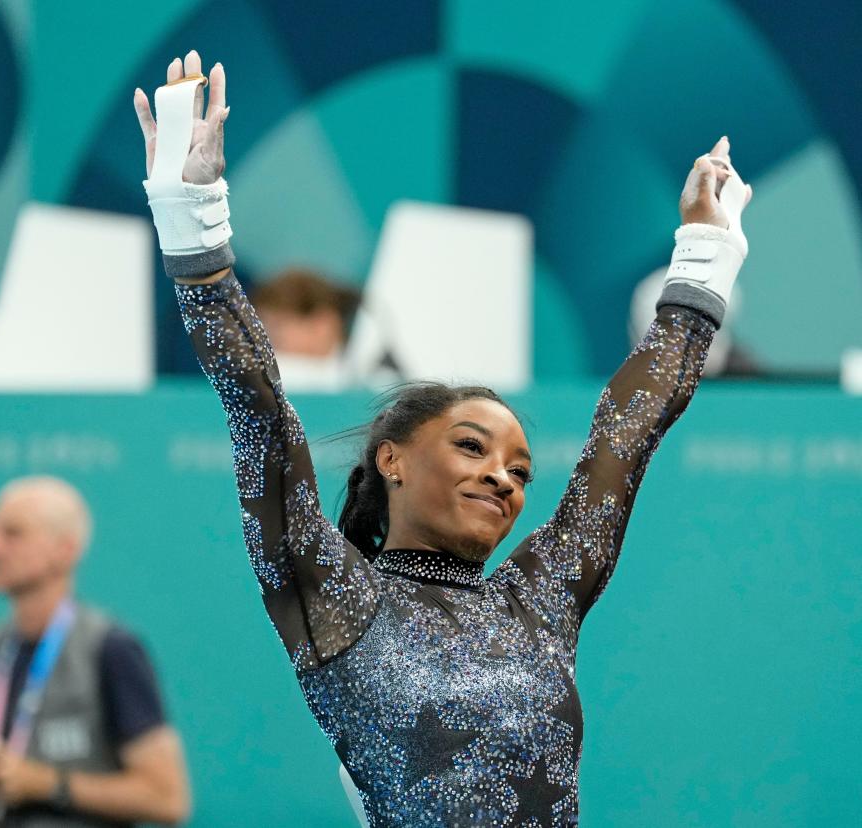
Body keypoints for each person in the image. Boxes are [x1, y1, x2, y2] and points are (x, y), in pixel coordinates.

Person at [134, 50, 751, 826]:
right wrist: (194, 224)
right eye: (471, 447)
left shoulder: (538, 603)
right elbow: (260, 412)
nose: (504, 478)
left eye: (520, 472)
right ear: (390, 459)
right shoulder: (335, 597)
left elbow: (624, 439)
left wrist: (705, 255)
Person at [0, 476, 190, 827]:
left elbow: (168, 799)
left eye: (12, 534)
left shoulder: (110, 650)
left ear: (65, 549)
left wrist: (44, 784)